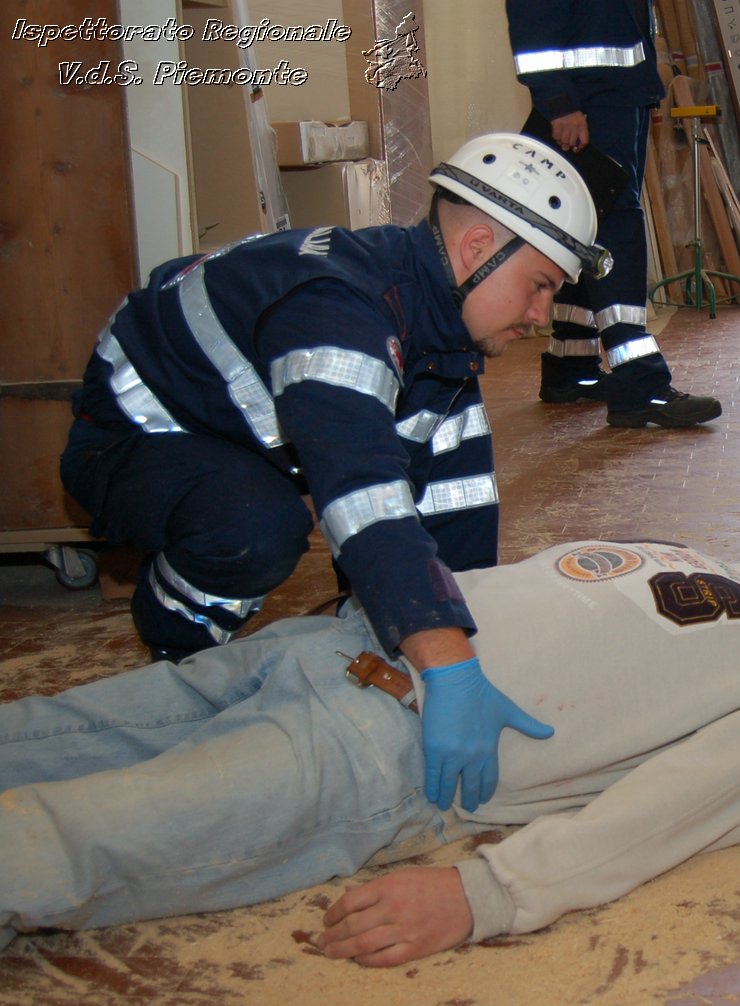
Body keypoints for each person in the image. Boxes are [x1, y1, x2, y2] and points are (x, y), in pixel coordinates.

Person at [0, 537, 740, 965]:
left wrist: (490, 895)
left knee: (67, 839)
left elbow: (681, 804)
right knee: (55, 731)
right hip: (348, 642)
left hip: (382, 748)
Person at [58, 133, 611, 812]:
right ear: (476, 251)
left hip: (234, 441)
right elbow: (363, 501)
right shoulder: (338, 307)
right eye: (540, 286)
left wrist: (474, 650)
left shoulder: (442, 348)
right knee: (256, 524)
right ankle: (179, 651)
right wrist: (449, 668)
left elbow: (455, 521)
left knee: (352, 545)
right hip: (132, 440)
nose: (540, 316)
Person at [507, 0, 722, 428]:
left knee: (587, 225)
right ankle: (639, 385)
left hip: (620, 93)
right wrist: (557, 100)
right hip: (591, 99)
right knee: (615, 230)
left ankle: (572, 366)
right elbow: (531, 13)